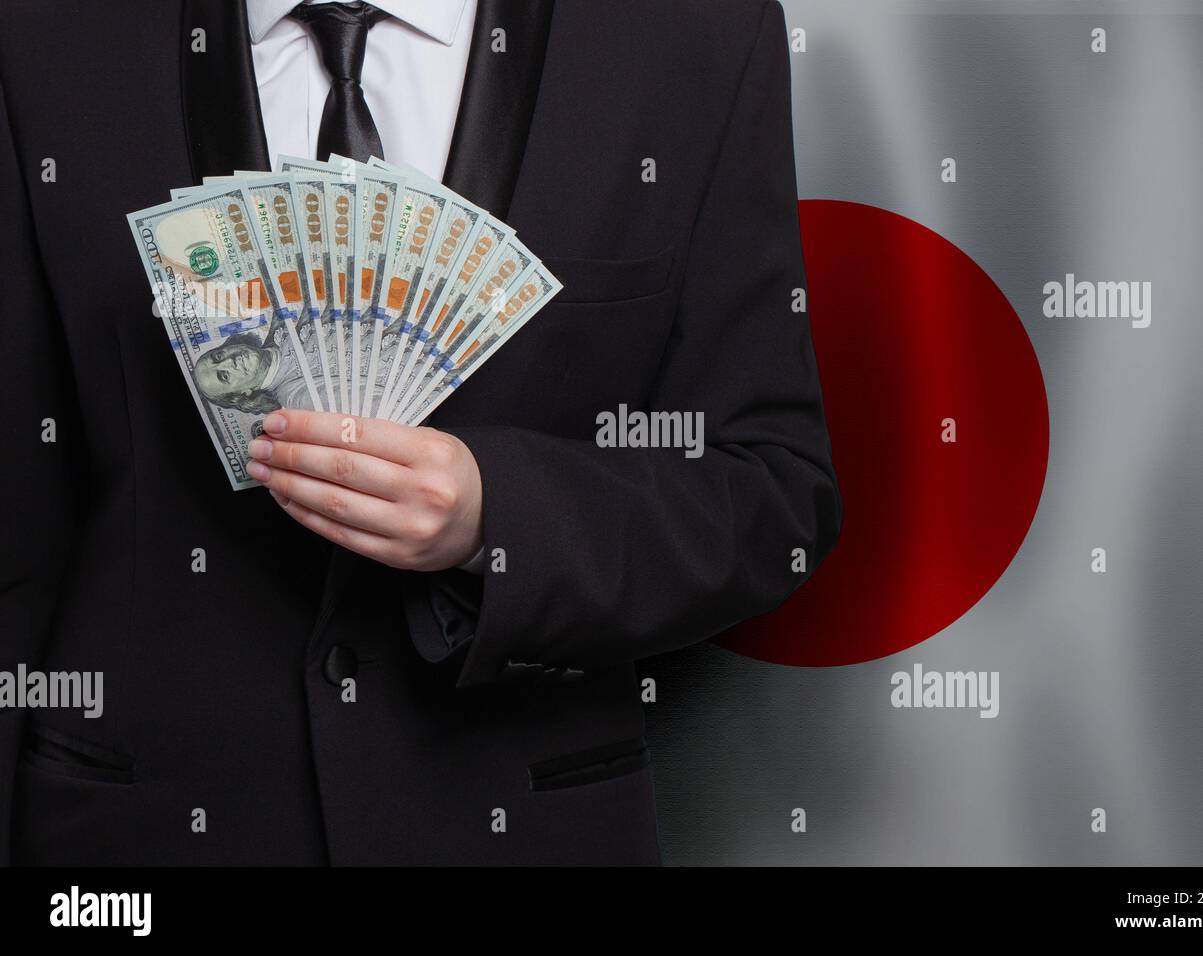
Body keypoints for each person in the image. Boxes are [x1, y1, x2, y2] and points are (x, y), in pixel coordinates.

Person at [0, 0, 841, 865]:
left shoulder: (691, 36)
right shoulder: (46, 34)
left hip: (514, 824)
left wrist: (498, 519)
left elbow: (768, 493)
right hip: (137, 836)